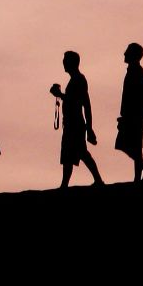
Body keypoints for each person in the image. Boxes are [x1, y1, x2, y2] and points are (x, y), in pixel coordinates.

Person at [49, 51, 104, 188]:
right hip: (72, 124)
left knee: (79, 152)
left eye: (65, 60)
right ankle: (65, 184)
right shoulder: (76, 80)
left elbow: (83, 103)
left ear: (71, 62)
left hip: (75, 124)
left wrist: (60, 94)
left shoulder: (79, 80)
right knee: (70, 153)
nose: (63, 62)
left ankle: (97, 180)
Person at [116, 43, 143, 181]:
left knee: (126, 144)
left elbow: (134, 96)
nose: (124, 54)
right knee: (134, 146)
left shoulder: (136, 71)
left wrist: (127, 116)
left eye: (127, 52)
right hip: (134, 114)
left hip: (135, 115)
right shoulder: (134, 70)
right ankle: (139, 175)